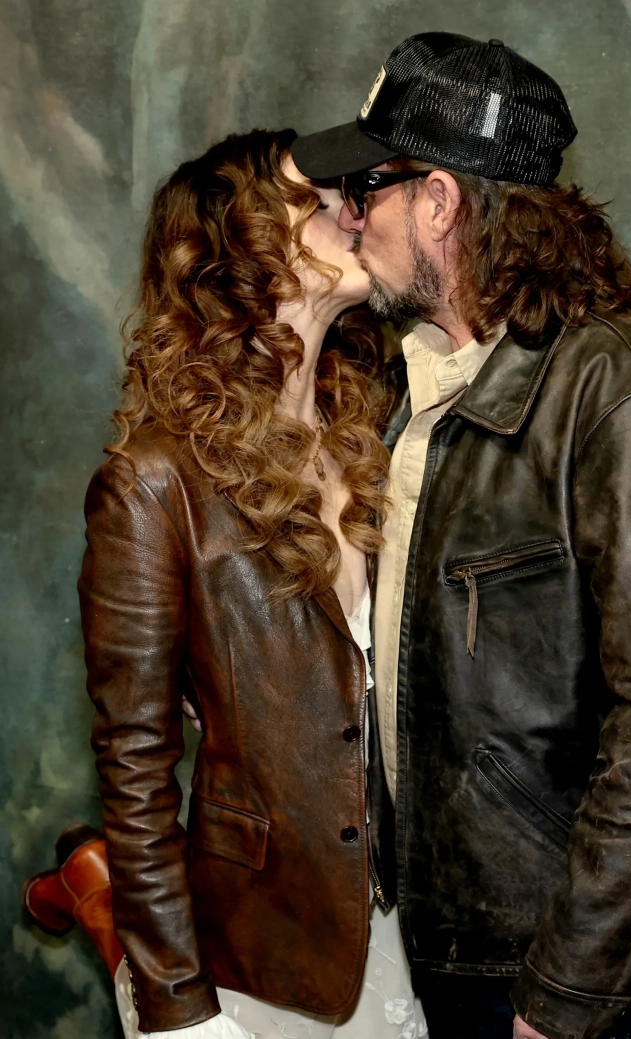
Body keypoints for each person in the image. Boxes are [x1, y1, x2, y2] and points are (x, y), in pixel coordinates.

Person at [291, 32, 631, 1039]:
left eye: (368, 188)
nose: (351, 217)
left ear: (440, 201)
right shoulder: (415, 394)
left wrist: (566, 992)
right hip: (454, 954)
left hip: (566, 978)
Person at [23, 128, 427, 1039]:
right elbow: (135, 763)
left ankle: (94, 887)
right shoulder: (152, 482)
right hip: (257, 938)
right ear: (236, 253)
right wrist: (177, 1008)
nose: (351, 210)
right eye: (315, 200)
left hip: (397, 918)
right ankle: (102, 897)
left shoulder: (376, 435)